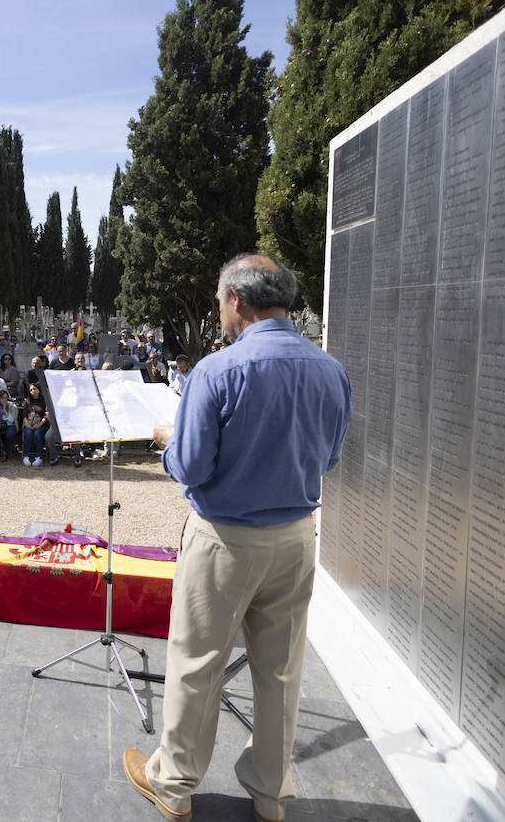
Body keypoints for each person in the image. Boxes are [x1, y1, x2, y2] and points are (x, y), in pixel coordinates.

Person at [123, 254, 353, 822]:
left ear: (237, 302)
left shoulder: (218, 371)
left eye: (220, 303)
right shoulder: (331, 370)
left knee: (197, 660)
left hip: (225, 539)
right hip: (297, 537)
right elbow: (330, 457)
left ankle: (173, 784)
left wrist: (167, 440)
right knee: (280, 669)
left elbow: (194, 466)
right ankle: (271, 790)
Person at [21, 381, 49, 466]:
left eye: (34, 389)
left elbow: (46, 416)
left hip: (41, 423)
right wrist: (28, 425)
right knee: (28, 433)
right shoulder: (28, 401)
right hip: (28, 423)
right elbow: (24, 416)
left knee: (37, 433)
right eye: (31, 390)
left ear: (39, 390)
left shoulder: (44, 401)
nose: (32, 391)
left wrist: (39, 425)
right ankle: (25, 456)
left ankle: (39, 457)